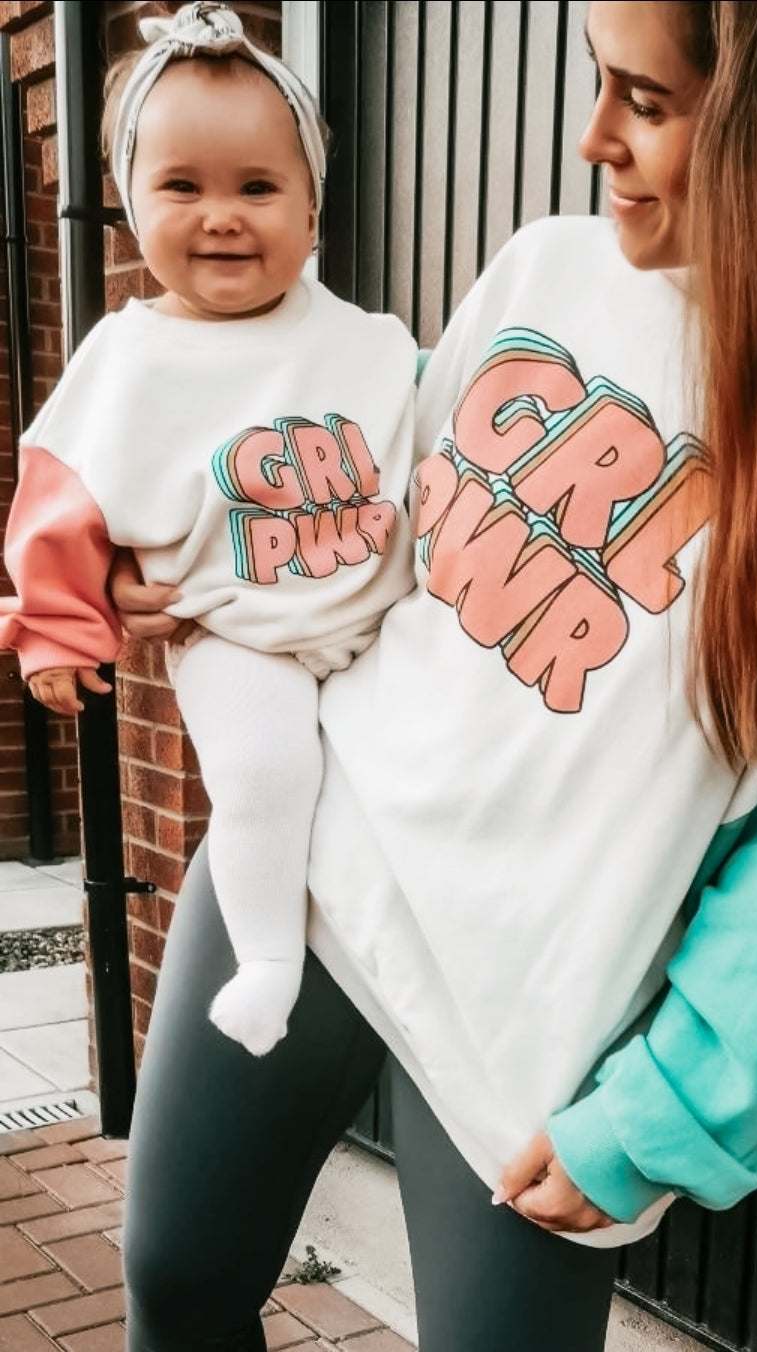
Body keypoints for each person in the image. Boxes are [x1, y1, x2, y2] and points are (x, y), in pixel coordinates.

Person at [113, 3, 757, 1350]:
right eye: (600, 83)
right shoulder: (548, 270)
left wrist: (660, 1122)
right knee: (176, 1282)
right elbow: (379, 522)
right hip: (311, 873)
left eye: (645, 102)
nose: (591, 135)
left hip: (533, 1039)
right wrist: (200, 559)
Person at [0, 3, 417, 1058]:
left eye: (259, 187)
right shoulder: (127, 359)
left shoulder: (365, 340)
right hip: (235, 635)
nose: (222, 215)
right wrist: (59, 624)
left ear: (314, 205)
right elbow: (60, 504)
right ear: (131, 203)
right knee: (265, 776)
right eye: (182, 186)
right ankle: (269, 959)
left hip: (384, 630)